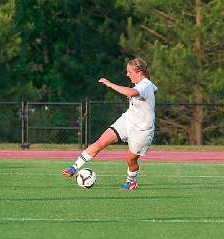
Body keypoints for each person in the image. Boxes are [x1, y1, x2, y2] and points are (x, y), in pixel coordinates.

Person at [63, 57, 157, 190]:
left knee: (131, 160)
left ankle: (131, 181)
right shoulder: (147, 85)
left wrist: (110, 84)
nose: (127, 74)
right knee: (100, 142)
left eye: (129, 71)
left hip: (142, 130)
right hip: (128, 120)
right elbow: (155, 89)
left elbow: (131, 92)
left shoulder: (145, 84)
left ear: (138, 71)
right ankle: (74, 167)